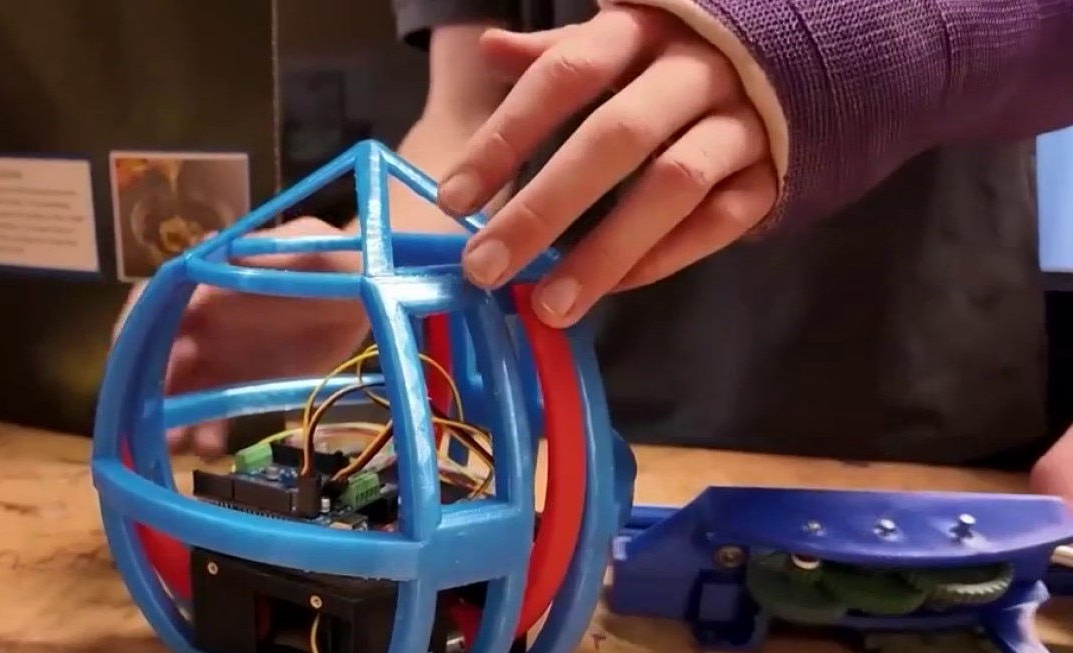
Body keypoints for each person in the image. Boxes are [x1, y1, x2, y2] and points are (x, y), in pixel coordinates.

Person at [117, 0, 1073, 498]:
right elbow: (477, 120)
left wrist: (842, 44)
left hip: (931, 444)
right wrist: (371, 270)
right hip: (589, 442)